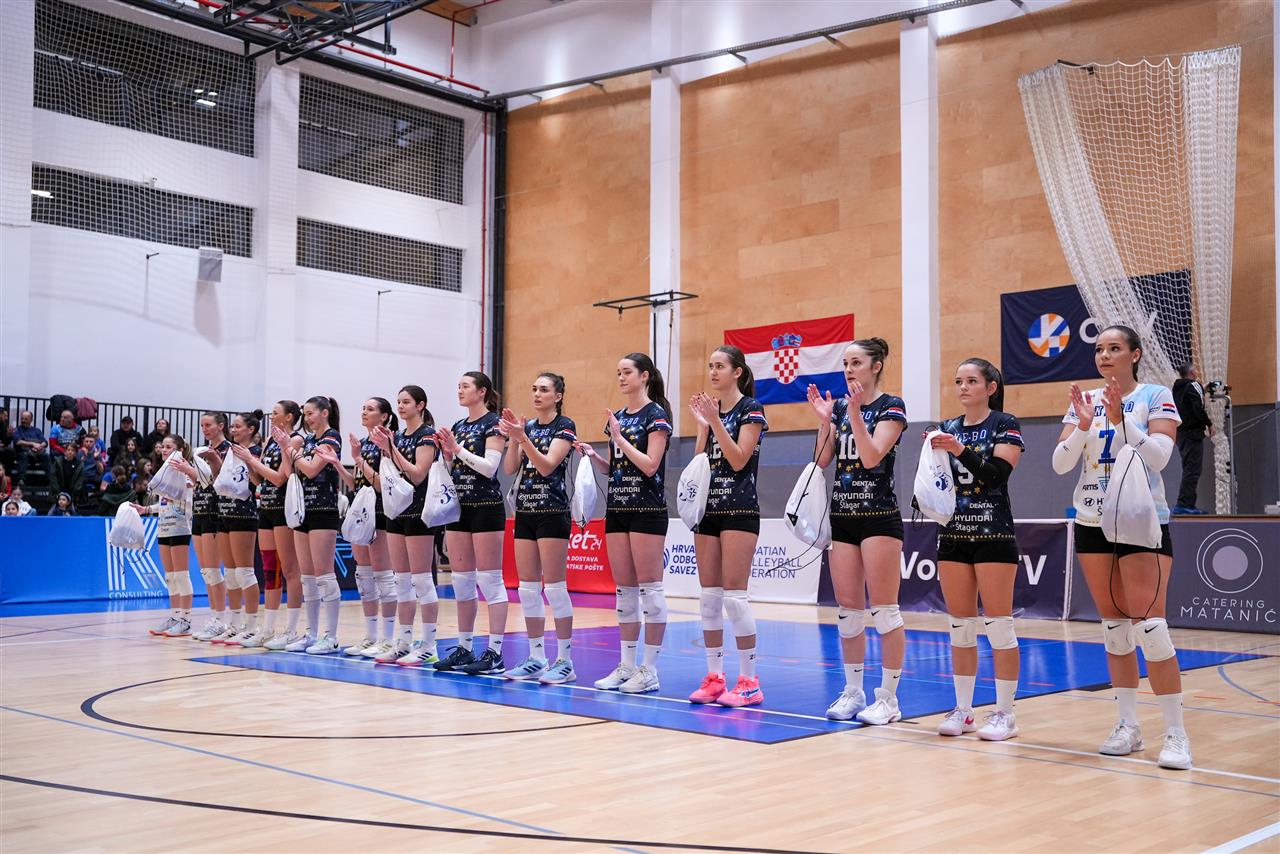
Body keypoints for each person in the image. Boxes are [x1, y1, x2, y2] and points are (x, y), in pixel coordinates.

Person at [1052, 324, 1191, 770]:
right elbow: (1060, 464)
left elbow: (1160, 457)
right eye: (1099, 349)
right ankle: (1128, 724)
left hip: (1140, 519)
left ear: (1135, 354)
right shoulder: (1085, 400)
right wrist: (1083, 425)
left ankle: (1176, 733)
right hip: (1091, 520)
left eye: (1114, 348)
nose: (1105, 355)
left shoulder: (1155, 395)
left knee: (1151, 626)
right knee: (1114, 628)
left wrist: (1120, 420)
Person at [806, 337, 909, 725]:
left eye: (856, 362)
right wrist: (825, 421)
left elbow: (870, 456)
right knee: (848, 612)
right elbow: (823, 459)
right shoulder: (838, 408)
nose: (849, 369)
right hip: (843, 517)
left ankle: (888, 699)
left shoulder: (891, 406)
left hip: (879, 516)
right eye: (845, 363)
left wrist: (853, 414)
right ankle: (853, 691)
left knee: (884, 611)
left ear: (876, 366)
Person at [931, 358, 1025, 742]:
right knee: (960, 626)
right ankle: (963, 710)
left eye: (971, 381)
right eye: (959, 381)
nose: (963, 387)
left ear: (990, 387)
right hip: (954, 536)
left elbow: (995, 476)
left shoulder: (1005, 424)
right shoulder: (948, 427)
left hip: (993, 534)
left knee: (999, 626)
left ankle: (1005, 713)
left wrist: (959, 449)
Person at [577, 353, 673, 694]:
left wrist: (619, 440)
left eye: (627, 372)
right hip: (617, 508)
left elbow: (649, 465)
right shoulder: (616, 417)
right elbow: (615, 468)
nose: (621, 377)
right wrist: (595, 457)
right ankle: (627, 665)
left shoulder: (656, 415)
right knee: (625, 592)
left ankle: (650, 669)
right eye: (618, 372)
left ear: (644, 376)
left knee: (650, 590)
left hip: (647, 509)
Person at [687, 346, 768, 707]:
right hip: (708, 510)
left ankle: (749, 681)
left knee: (735, 599)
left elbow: (738, 460)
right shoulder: (712, 412)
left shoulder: (751, 409)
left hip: (739, 509)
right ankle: (714, 677)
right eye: (710, 366)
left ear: (737, 372)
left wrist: (715, 422)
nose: (713, 372)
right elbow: (700, 465)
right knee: (709, 599)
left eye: (720, 366)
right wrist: (703, 428)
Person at [498, 372, 579, 684]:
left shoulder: (565, 425)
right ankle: (536, 657)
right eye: (534, 389)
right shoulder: (528, 426)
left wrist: (522, 439)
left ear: (557, 396)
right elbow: (509, 468)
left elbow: (546, 466)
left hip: (552, 512)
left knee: (555, 589)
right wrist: (514, 439)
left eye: (544, 389)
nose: (537, 394)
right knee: (527, 589)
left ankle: (565, 661)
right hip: (525, 512)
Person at [433, 372, 510, 676]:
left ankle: (495, 653)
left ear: (482, 392)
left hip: (486, 508)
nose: (460, 390)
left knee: (490, 581)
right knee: (462, 582)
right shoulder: (460, 426)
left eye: (465, 386)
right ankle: (465, 648)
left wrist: (457, 449)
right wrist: (447, 455)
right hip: (459, 508)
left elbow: (490, 468)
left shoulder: (494, 424)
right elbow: (456, 467)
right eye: (458, 386)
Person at [369, 387, 441, 666]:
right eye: (398, 402)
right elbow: (389, 474)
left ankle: (429, 645)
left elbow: (418, 473)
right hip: (396, 511)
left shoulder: (427, 435)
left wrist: (390, 449)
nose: (400, 406)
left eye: (406, 402)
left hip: (419, 512)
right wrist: (384, 450)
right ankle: (404, 642)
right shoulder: (396, 436)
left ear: (420, 405)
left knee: (421, 579)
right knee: (401, 580)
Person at [243, 402, 305, 651]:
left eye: (276, 413)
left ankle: (290, 630)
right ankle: (267, 629)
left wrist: (252, 460)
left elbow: (280, 478)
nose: (271, 416)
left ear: (289, 417)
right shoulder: (269, 440)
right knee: (270, 570)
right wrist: (249, 463)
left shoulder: (296, 440)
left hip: (283, 509)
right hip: (266, 507)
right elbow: (258, 479)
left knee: (290, 570)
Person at [343, 397, 401, 659]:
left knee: (383, 576)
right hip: (362, 513)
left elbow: (380, 484)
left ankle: (388, 639)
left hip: (381, 513)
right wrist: (340, 463)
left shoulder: (387, 441)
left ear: (385, 416)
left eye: (370, 409)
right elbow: (357, 484)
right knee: (363, 576)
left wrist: (358, 459)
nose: (364, 412)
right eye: (363, 408)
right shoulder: (364, 443)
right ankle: (370, 636)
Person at [287, 396, 345, 654]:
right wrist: (290, 450)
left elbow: (311, 470)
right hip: (303, 510)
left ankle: (330, 636)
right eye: (305, 414)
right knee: (307, 577)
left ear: (324, 413)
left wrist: (291, 451)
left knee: (324, 575)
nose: (307, 418)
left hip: (323, 510)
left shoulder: (332, 438)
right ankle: (310, 634)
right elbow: (293, 471)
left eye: (311, 413)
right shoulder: (307, 440)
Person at [205, 411, 264, 647]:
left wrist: (248, 459)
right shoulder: (230, 450)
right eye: (233, 427)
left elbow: (257, 481)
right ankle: (235, 624)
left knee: (244, 571)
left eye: (238, 426)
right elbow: (220, 481)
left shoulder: (256, 451)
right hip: (224, 511)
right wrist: (214, 461)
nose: (234, 430)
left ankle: (251, 626)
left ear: (251, 429)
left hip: (243, 513)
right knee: (230, 573)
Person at [140, 435, 197, 637]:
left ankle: (186, 621)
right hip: (164, 526)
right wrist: (146, 509)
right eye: (162, 446)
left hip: (180, 526)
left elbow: (188, 499)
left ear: (179, 450)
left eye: (168, 447)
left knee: (181, 575)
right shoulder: (164, 472)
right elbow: (164, 503)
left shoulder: (186, 472)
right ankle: (175, 616)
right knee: (170, 576)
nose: (164, 450)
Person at [190, 413, 232, 642]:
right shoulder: (202, 450)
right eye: (202, 425)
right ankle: (214, 616)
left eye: (208, 425)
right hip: (199, 509)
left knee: (214, 569)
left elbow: (224, 479)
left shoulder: (227, 449)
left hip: (215, 511)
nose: (204, 429)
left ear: (220, 426)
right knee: (206, 570)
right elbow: (200, 481)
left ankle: (221, 619)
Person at [1171, 364, 1212, 514]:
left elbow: (1188, 402)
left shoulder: (1177, 388)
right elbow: (1197, 408)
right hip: (1192, 434)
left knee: (1189, 469)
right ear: (1193, 373)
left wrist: (1201, 389)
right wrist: (1209, 424)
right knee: (1193, 470)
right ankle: (1183, 504)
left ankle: (1189, 504)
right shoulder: (1194, 386)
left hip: (1180, 434)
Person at [12, 410, 48, 484]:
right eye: (22, 418)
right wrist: (33, 444)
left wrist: (39, 446)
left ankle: (50, 478)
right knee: (24, 455)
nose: (23, 421)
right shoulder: (17, 430)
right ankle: (21, 479)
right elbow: (18, 442)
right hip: (23, 452)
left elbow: (45, 442)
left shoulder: (37, 430)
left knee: (46, 456)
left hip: (36, 452)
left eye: (26, 419)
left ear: (31, 420)